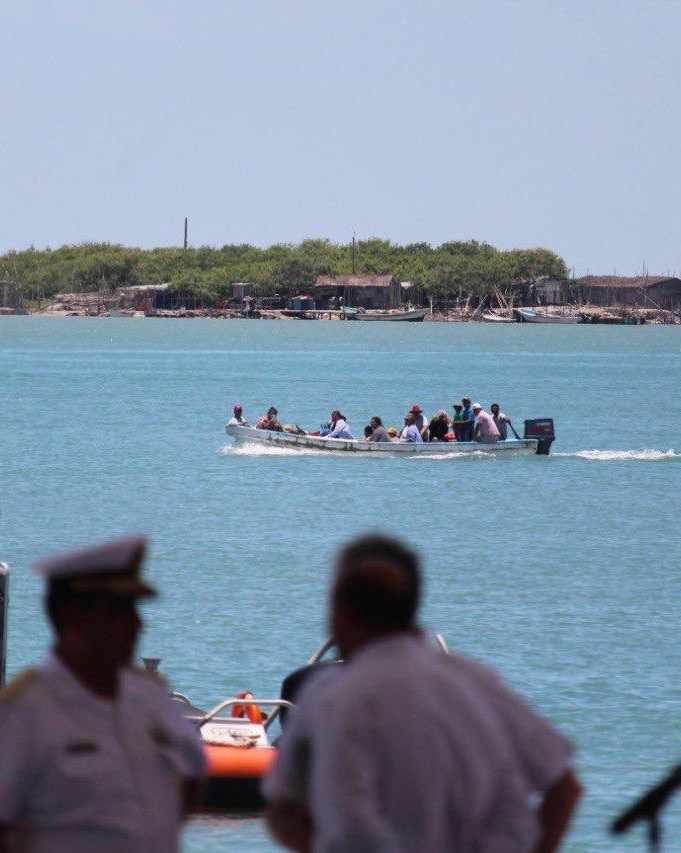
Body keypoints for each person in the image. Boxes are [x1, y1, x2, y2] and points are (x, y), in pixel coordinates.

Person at [264, 534, 582, 853]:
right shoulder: (480, 683)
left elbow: (283, 812)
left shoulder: (326, 699)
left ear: (341, 613)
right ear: (413, 605)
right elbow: (564, 788)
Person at [0, 535, 206, 853]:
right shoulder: (24, 713)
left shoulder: (151, 696)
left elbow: (193, 770)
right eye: (118, 612)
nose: (137, 623)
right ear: (73, 618)